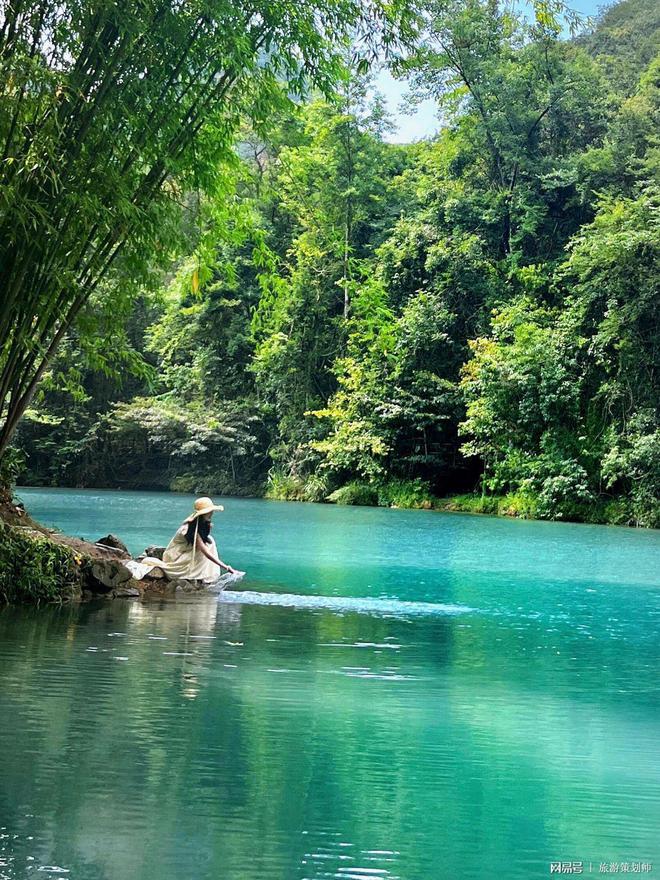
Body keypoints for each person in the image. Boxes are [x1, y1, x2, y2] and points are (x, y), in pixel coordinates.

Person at [141, 496, 237, 583]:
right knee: (204, 549)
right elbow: (205, 552)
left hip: (186, 551)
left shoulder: (204, 524)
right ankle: (197, 575)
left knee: (210, 541)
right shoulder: (189, 528)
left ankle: (204, 575)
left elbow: (204, 541)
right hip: (175, 556)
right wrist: (227, 567)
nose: (211, 513)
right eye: (208, 512)